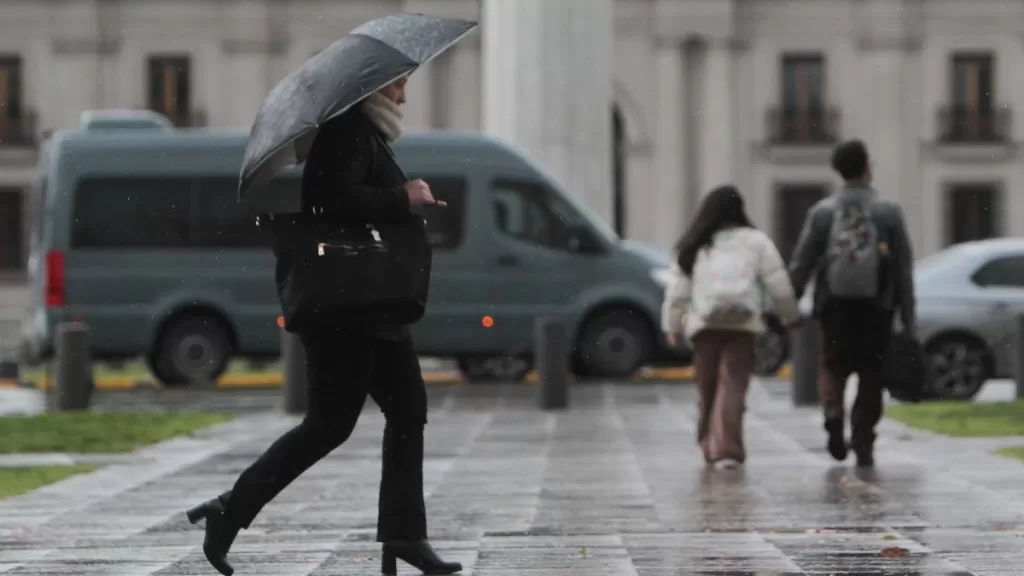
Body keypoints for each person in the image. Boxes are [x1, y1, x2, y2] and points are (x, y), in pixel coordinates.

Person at [184, 76, 462, 576]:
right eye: (398, 85)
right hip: (345, 309)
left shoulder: (363, 133)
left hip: (373, 307)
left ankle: (404, 535)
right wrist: (404, 197)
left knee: (408, 411)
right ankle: (230, 510)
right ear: (374, 89)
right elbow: (334, 201)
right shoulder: (347, 131)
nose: (404, 95)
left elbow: (352, 201)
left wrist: (402, 199)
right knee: (329, 426)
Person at [788, 139, 915, 468]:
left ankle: (832, 412)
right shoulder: (887, 211)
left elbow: (803, 262)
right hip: (878, 306)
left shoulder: (823, 212)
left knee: (833, 365)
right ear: (867, 167)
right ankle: (862, 440)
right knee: (872, 372)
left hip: (834, 306)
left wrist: (789, 304)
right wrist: (908, 314)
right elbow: (903, 265)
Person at [662, 185, 801, 470]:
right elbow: (778, 282)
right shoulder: (756, 241)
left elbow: (678, 292)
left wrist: (672, 326)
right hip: (743, 323)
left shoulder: (696, 243)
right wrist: (790, 316)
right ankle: (727, 447)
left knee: (707, 387)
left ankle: (708, 444)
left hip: (704, 325)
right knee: (734, 384)